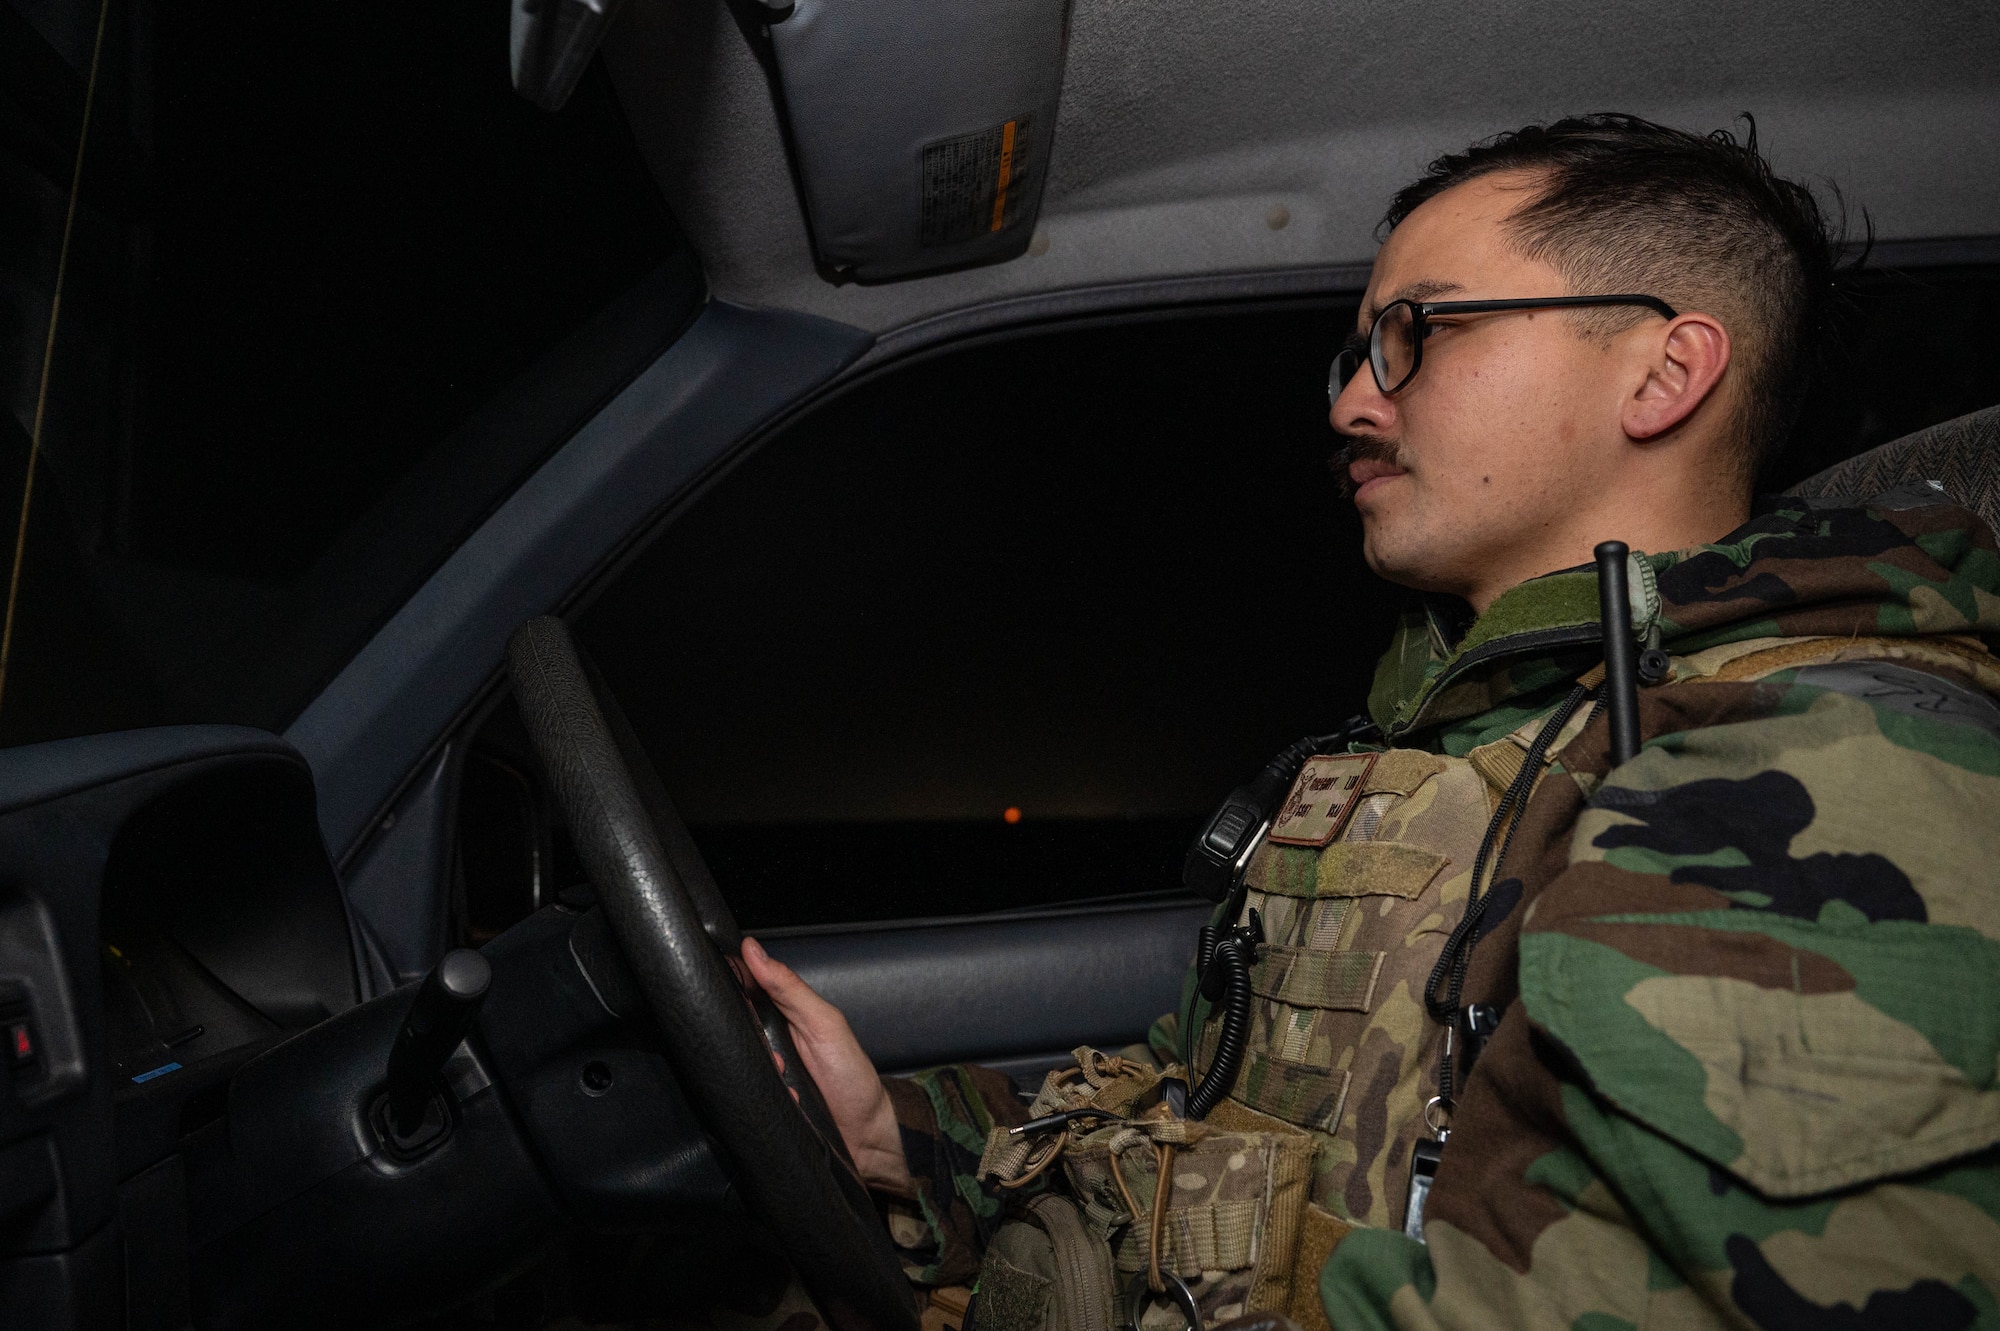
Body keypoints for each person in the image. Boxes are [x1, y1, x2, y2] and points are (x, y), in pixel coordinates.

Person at [742, 113, 2000, 1328]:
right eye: (1356, 350)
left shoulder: (1807, 771)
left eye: (1414, 333)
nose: (1352, 402)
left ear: (1664, 372)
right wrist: (900, 1141)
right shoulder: (1448, 741)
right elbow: (1206, 1121)